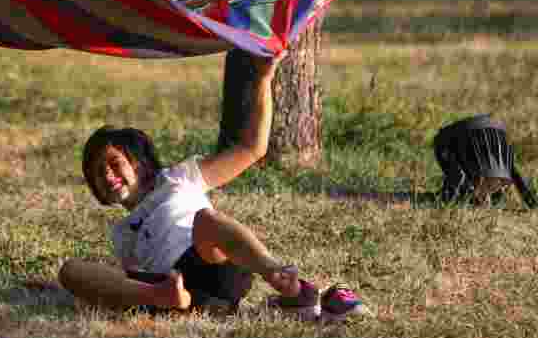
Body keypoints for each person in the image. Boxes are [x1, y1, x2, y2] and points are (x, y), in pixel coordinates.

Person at [58, 53, 369, 321]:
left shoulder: (177, 178)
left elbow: (251, 148)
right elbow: (123, 282)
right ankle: (166, 297)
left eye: (113, 164)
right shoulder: (121, 234)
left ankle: (280, 277)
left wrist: (263, 78)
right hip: (176, 288)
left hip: (217, 265)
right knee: (70, 270)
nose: (106, 175)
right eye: (97, 173)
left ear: (138, 162)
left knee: (206, 219)